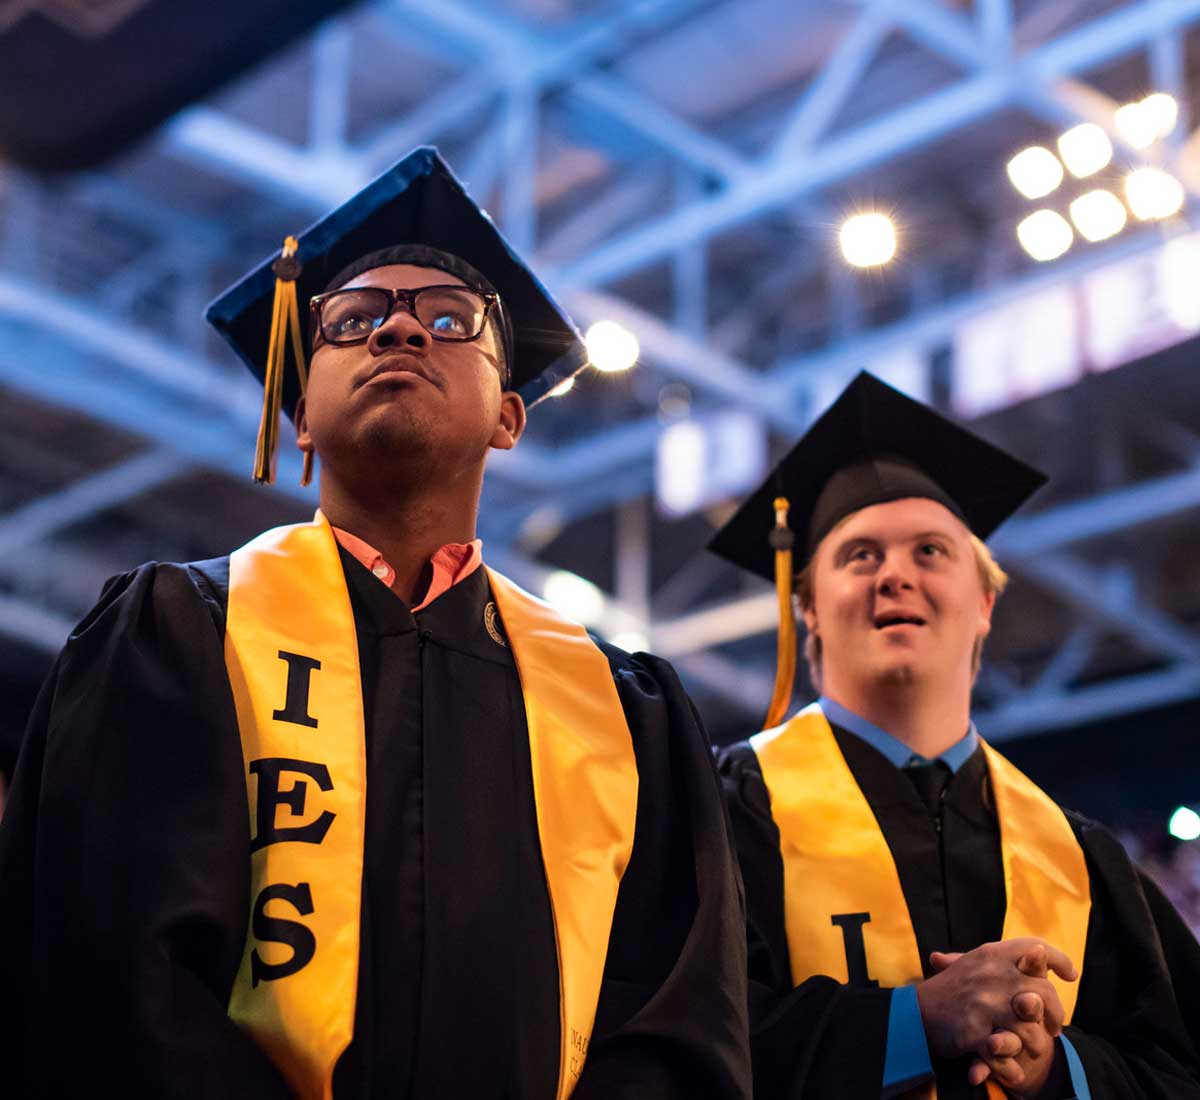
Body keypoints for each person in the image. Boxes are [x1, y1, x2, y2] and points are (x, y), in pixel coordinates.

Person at [0, 148, 751, 1100]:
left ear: (510, 418)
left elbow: (672, 1029)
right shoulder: (178, 632)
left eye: (448, 319)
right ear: (300, 416)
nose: (398, 325)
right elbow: (104, 972)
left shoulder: (620, 710)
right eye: (351, 321)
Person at [711, 372, 1200, 1099]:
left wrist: (1054, 1070)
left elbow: (1178, 1070)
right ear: (808, 607)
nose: (894, 576)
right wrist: (911, 1023)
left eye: (931, 552)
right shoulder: (728, 811)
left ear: (985, 602)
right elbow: (681, 1039)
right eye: (860, 555)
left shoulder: (1077, 857)